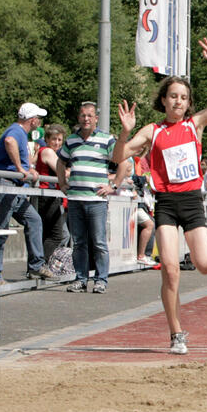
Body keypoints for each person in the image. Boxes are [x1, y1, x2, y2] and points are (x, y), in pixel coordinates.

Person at [113, 34, 207, 354]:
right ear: (164, 100)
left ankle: (180, 317)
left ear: (188, 103)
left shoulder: (195, 125)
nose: (178, 101)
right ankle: (176, 332)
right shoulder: (153, 131)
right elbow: (118, 156)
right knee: (169, 269)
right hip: (166, 203)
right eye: (173, 96)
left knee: (206, 265)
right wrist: (125, 131)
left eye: (183, 97)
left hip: (192, 202)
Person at [58, 102, 126, 294]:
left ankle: (101, 279)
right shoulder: (71, 140)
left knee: (98, 242)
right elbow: (60, 162)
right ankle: (80, 279)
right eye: (83, 116)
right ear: (79, 118)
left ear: (96, 118)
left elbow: (124, 162)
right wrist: (62, 183)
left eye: (89, 116)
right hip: (76, 198)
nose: (86, 119)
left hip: (96, 200)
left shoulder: (106, 139)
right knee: (78, 242)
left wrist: (113, 186)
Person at [0, 102, 50, 281]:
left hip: (15, 187)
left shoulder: (20, 133)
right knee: (0, 230)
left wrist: (27, 169)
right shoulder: (16, 131)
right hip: (7, 185)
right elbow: (10, 142)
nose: (39, 121)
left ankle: (36, 265)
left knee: (34, 220)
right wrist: (20, 168)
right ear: (32, 120)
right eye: (38, 118)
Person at [35, 123, 70, 264]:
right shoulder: (48, 152)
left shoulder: (52, 153)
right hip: (47, 195)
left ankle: (43, 264)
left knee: (54, 234)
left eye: (59, 140)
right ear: (47, 139)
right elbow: (63, 172)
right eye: (54, 139)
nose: (56, 143)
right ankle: (42, 264)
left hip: (52, 195)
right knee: (57, 235)